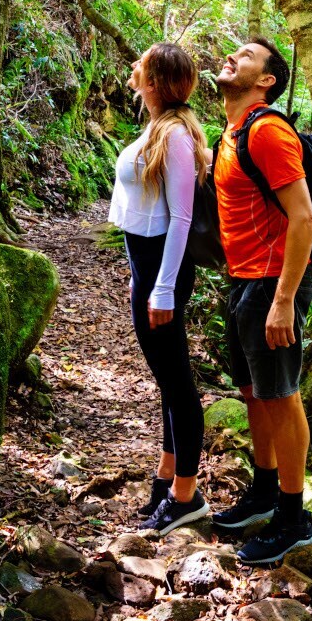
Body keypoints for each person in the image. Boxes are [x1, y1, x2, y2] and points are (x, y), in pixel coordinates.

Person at [208, 39, 312, 565]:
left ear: (266, 80)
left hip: (274, 283)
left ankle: (293, 520)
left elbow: (305, 217)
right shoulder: (231, 133)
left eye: (247, 55)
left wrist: (284, 300)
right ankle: (264, 491)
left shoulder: (268, 131)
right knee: (254, 392)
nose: (233, 56)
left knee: (281, 395)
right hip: (244, 281)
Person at [108, 42, 214, 534]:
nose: (135, 65)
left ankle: (186, 496)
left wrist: (163, 288)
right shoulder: (159, 126)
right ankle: (166, 477)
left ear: (154, 81)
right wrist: (144, 278)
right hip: (148, 268)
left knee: (177, 383)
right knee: (167, 380)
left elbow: (181, 217)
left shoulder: (173, 135)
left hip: (161, 272)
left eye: (143, 63)